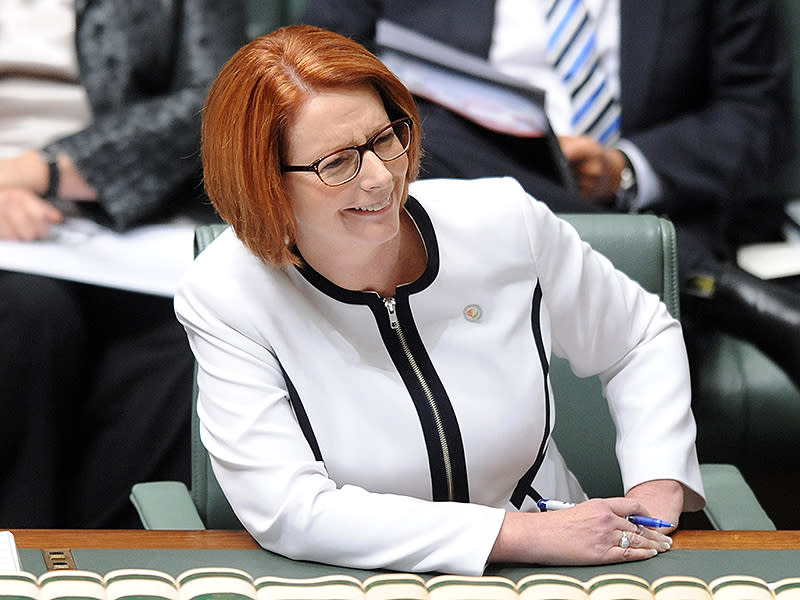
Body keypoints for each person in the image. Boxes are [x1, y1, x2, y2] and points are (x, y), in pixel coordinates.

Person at [176, 25, 705, 575]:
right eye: (337, 164)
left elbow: (639, 338)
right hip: (360, 580)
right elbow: (290, 510)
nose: (382, 177)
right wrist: (520, 535)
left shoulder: (502, 221)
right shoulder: (226, 293)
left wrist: (658, 486)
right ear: (263, 181)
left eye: (386, 138)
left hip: (557, 574)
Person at [298, 0, 800, 391]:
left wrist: (624, 169)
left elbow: (760, 116)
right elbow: (312, 78)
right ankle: (708, 282)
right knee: (428, 130)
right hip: (451, 221)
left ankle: (687, 272)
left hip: (641, 203)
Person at [0, 0, 246, 528]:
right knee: (27, 317)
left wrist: (46, 170)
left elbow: (218, 95)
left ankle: (113, 568)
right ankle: (18, 559)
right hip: (12, 236)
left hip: (132, 216)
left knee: (190, 338)